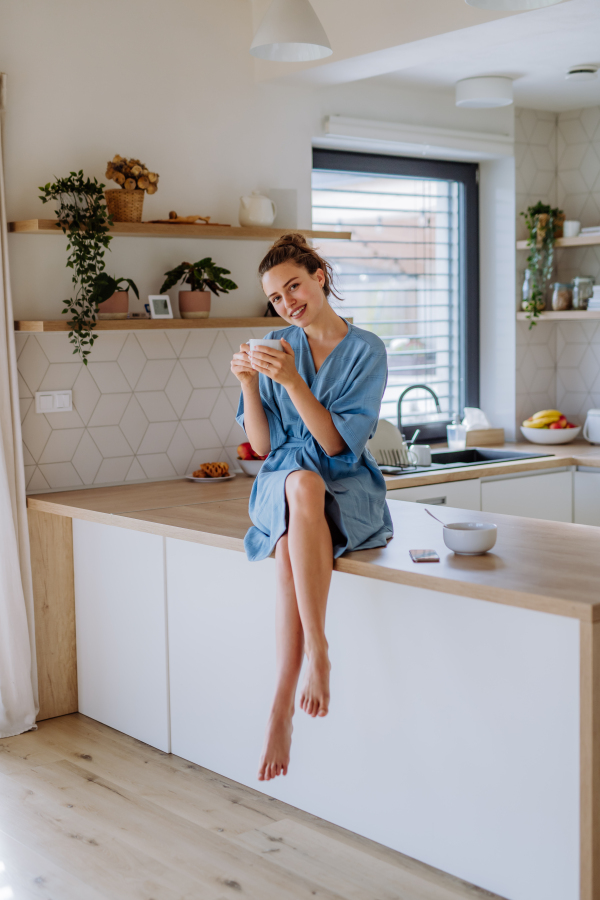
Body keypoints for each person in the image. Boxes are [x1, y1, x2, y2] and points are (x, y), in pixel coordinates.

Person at [230, 233, 393, 783]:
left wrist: (293, 381)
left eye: (293, 286)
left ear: (320, 275)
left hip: (344, 483)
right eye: (276, 297)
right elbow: (259, 446)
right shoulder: (277, 343)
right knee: (299, 485)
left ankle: (282, 702)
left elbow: (335, 446)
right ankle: (314, 659)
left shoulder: (367, 350)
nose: (287, 303)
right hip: (286, 478)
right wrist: (250, 384)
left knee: (293, 533)